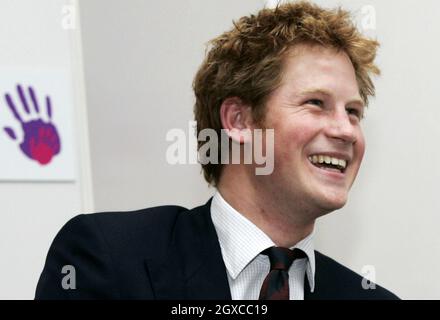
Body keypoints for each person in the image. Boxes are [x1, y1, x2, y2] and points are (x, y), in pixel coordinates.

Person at [35, 1, 398, 300]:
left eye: (353, 112)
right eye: (316, 103)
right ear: (239, 121)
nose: (346, 130)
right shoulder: (109, 258)